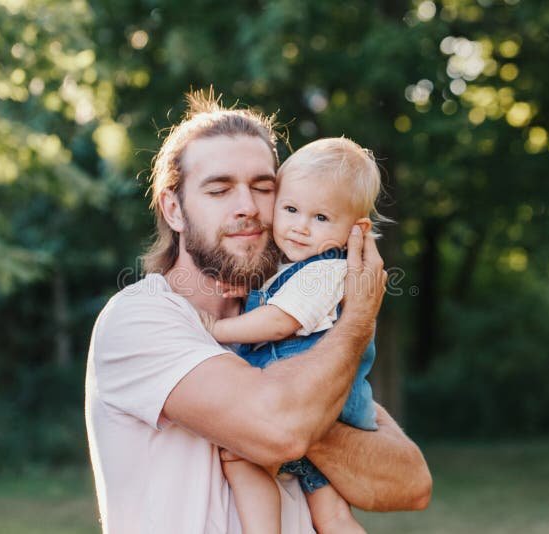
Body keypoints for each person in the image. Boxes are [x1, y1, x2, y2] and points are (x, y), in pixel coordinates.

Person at [85, 89, 431, 533]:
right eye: (219, 189)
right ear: (173, 209)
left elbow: (411, 484)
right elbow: (280, 431)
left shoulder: (298, 322)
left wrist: (303, 406)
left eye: (264, 188)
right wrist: (358, 321)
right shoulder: (139, 319)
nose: (247, 207)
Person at [201, 137, 385, 533]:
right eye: (290, 209)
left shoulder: (327, 270)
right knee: (332, 515)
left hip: (311, 406)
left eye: (321, 218)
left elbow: (278, 322)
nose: (301, 226)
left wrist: (216, 328)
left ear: (356, 230)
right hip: (321, 412)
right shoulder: (291, 267)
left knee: (242, 459)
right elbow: (274, 296)